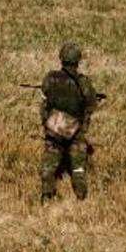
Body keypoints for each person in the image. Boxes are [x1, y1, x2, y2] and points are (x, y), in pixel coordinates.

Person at [39, 42, 98, 201]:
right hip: (75, 129)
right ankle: (81, 197)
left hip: (55, 126)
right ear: (78, 60)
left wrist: (47, 122)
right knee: (78, 167)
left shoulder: (50, 78)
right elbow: (91, 104)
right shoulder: (83, 82)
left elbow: (44, 103)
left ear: (61, 58)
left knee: (49, 165)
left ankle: (46, 195)